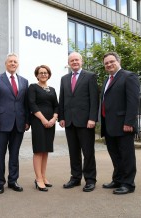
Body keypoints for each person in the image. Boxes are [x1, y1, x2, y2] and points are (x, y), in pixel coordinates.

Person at [0, 53, 30, 194]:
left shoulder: (24, 81)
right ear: (6, 64)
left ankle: (13, 180)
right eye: (10, 61)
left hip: (18, 124)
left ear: (18, 64)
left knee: (14, 154)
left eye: (15, 62)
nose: (13, 63)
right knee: (0, 154)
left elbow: (26, 104)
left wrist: (26, 121)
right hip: (1, 124)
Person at [58, 52, 99, 192]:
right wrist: (61, 117)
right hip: (69, 121)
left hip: (86, 122)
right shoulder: (64, 79)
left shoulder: (90, 76)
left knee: (88, 152)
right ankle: (75, 178)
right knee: (73, 152)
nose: (74, 62)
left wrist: (92, 118)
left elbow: (94, 100)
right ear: (69, 63)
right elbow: (62, 99)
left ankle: (90, 180)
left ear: (81, 61)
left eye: (77, 60)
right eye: (71, 60)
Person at [100, 51, 140, 195]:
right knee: (115, 155)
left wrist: (129, 122)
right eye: (106, 63)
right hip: (109, 124)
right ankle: (117, 179)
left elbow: (133, 101)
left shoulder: (129, 76)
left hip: (124, 124)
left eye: (112, 61)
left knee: (126, 155)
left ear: (118, 61)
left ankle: (128, 184)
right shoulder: (107, 79)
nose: (109, 64)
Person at [28, 65, 59, 192]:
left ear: (49, 74)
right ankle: (38, 178)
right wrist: (43, 119)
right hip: (38, 121)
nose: (43, 74)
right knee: (39, 150)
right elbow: (32, 104)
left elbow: (56, 105)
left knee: (46, 150)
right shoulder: (33, 87)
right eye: (40, 73)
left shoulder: (52, 89)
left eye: (45, 73)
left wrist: (53, 118)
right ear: (37, 75)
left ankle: (43, 176)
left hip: (51, 123)